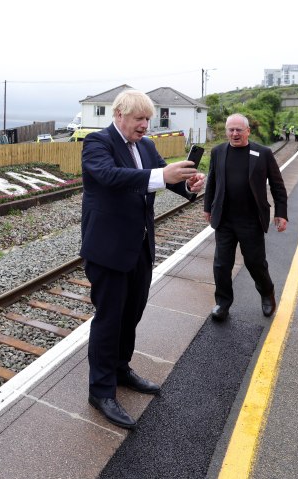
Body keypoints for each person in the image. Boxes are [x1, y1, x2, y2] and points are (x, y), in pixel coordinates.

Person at [80, 89, 206, 429]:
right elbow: (109, 177)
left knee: (132, 313)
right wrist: (161, 177)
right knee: (109, 319)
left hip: (139, 247)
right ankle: (101, 390)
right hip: (107, 249)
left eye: (148, 119)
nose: (145, 125)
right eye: (139, 119)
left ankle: (121, 369)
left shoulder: (148, 147)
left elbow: (166, 179)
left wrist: (190, 186)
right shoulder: (97, 143)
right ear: (119, 114)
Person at [204, 113, 288, 322]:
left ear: (247, 131)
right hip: (224, 219)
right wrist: (208, 208)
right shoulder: (218, 152)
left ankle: (267, 292)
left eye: (238, 130)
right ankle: (222, 303)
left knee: (255, 262)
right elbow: (212, 182)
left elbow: (278, 186)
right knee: (222, 264)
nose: (234, 134)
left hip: (251, 220)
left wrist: (281, 213)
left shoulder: (263, 153)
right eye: (230, 130)